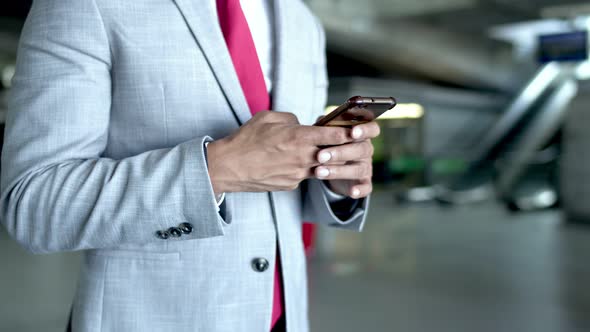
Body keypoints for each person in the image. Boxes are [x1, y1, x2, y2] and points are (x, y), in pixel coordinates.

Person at [0, 0, 379, 331]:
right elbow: (34, 203)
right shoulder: (86, 4)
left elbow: (283, 174)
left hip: (286, 318)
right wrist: (217, 170)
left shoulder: (301, 20)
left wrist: (331, 175)